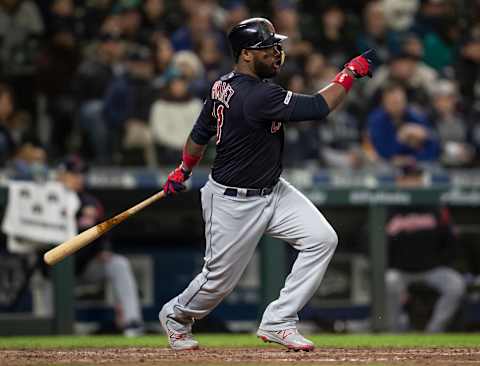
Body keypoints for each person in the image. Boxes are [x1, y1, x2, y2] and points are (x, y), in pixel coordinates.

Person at [158, 17, 375, 351]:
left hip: (273, 190)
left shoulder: (222, 85)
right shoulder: (257, 95)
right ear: (246, 54)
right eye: (268, 48)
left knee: (321, 239)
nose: (277, 53)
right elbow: (319, 107)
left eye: (277, 46)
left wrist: (184, 168)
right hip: (233, 201)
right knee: (217, 283)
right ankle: (176, 315)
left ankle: (279, 320)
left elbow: (200, 133)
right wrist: (348, 75)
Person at [56, 155, 144, 337]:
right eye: (73, 174)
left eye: (81, 174)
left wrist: (104, 249)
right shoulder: (50, 198)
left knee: (118, 264)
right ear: (61, 175)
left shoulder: (90, 202)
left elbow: (104, 232)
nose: (79, 178)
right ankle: (54, 331)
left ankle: (132, 323)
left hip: (85, 266)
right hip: (52, 273)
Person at [385, 167, 466, 332]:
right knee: (388, 282)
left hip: (432, 269)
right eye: (409, 178)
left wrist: (442, 261)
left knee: (456, 284)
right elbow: (375, 243)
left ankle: (434, 332)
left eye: (417, 178)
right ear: (400, 182)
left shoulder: (434, 205)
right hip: (400, 271)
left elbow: (451, 241)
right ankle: (394, 332)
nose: (414, 182)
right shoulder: (388, 206)